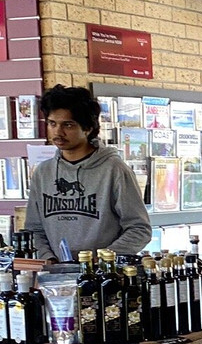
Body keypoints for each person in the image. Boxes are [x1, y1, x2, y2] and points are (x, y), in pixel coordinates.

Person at [25, 85, 151, 260]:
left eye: (68, 125)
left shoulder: (114, 170)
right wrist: (48, 259)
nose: (58, 132)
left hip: (102, 276)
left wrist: (101, 261)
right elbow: (34, 229)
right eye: (52, 123)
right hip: (57, 277)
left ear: (88, 128)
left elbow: (139, 229)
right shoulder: (43, 172)